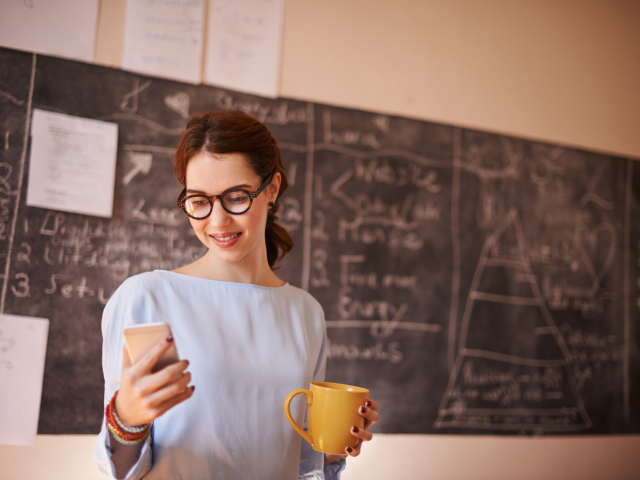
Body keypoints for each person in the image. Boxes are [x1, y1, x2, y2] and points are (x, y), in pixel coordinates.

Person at [94, 110, 379, 479]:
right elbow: (121, 471)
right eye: (199, 201)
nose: (217, 221)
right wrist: (126, 421)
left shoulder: (305, 312)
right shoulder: (148, 299)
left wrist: (337, 445)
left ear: (272, 189)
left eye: (237, 197)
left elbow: (304, 465)